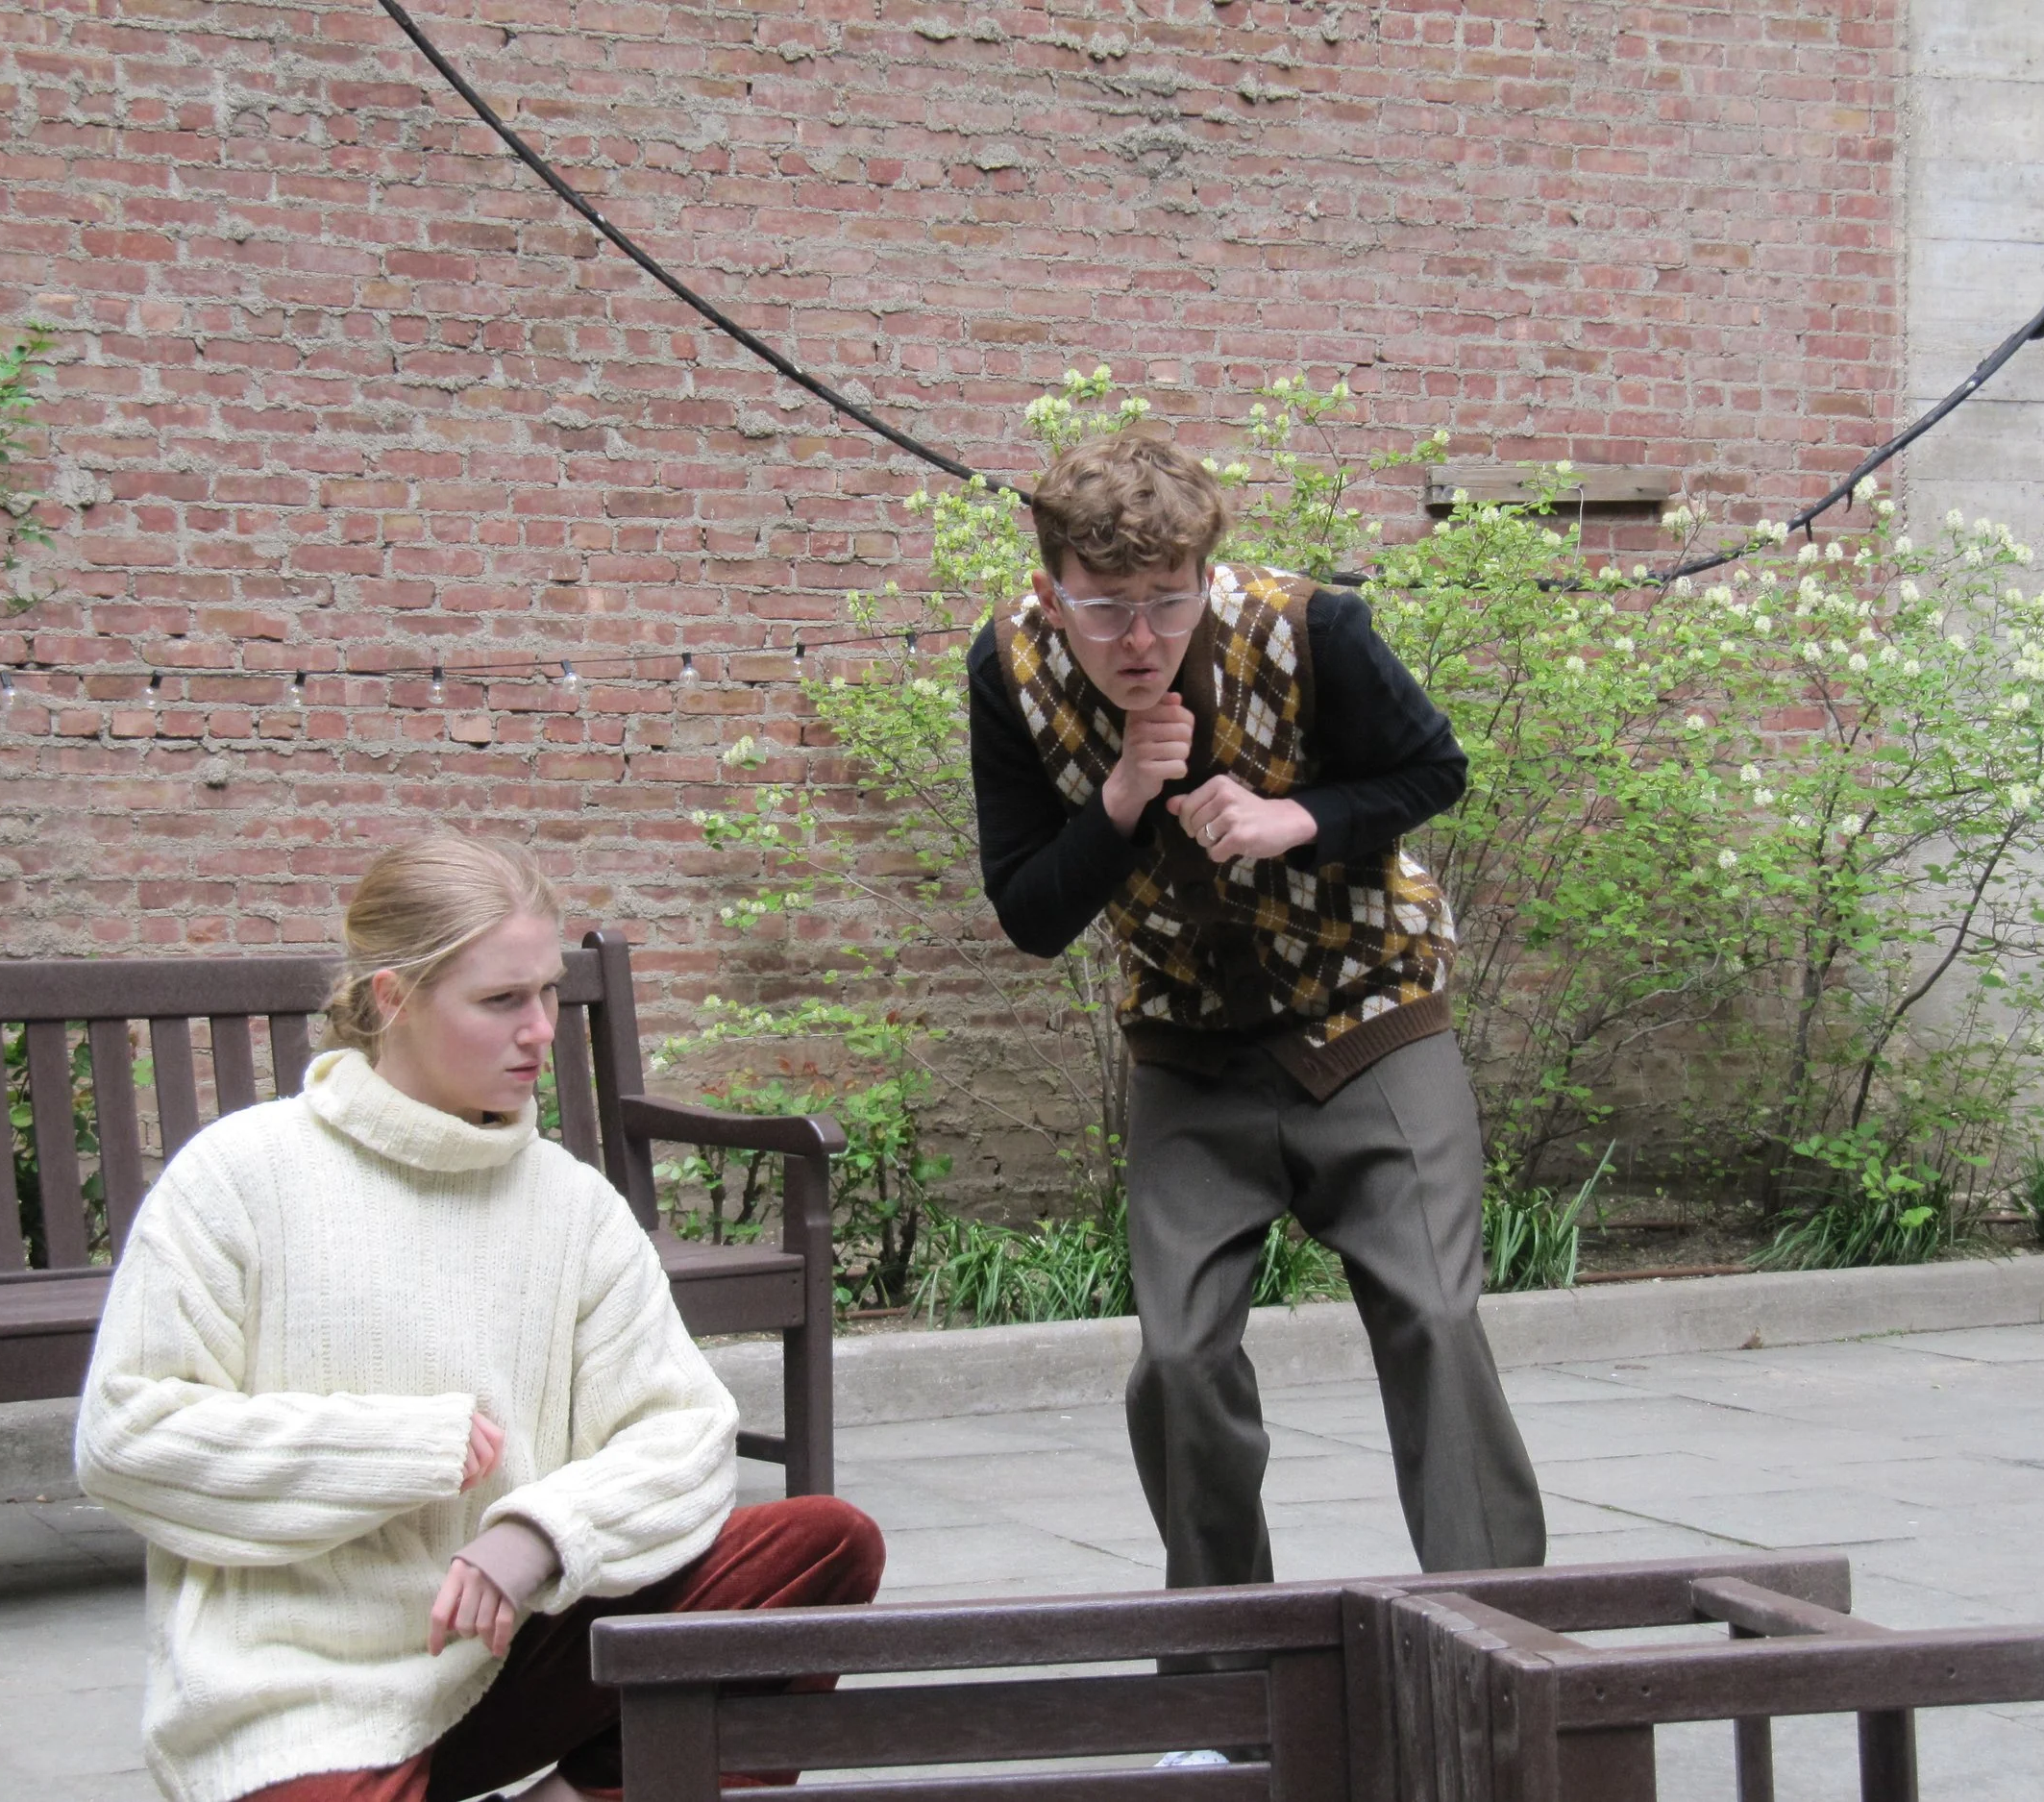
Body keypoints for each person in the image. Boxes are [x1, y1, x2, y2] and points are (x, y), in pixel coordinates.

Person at [76, 834, 883, 1802]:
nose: (540, 1029)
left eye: (547, 992)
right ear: (392, 1000)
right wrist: (404, 1449)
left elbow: (685, 1434)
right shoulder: (239, 1178)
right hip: (301, 1690)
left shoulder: (571, 1206)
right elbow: (125, 1438)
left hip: (509, 1656)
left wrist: (539, 1535)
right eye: (502, 1000)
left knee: (826, 1547)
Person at [966, 432, 1545, 1590]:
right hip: (1191, 1052)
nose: (1138, 639)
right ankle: (1222, 1666)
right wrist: (1123, 796)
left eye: (1165, 604)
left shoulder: (1311, 628)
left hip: (1369, 1021)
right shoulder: (1010, 670)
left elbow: (1435, 772)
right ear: (1050, 587)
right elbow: (1029, 912)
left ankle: (1498, 1642)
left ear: (1206, 576)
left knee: (1433, 1318)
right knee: (1179, 1360)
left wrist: (1303, 818)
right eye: (1105, 608)